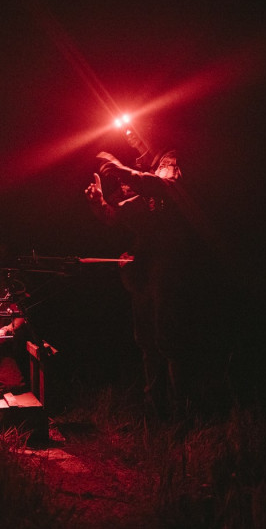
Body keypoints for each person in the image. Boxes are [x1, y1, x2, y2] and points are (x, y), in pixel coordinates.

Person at [85, 148, 200, 417]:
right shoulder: (136, 171)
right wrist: (99, 203)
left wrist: (119, 169)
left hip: (169, 258)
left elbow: (164, 187)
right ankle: (155, 413)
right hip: (143, 260)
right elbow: (115, 215)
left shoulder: (167, 158)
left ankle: (182, 413)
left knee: (168, 337)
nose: (130, 138)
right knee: (146, 339)